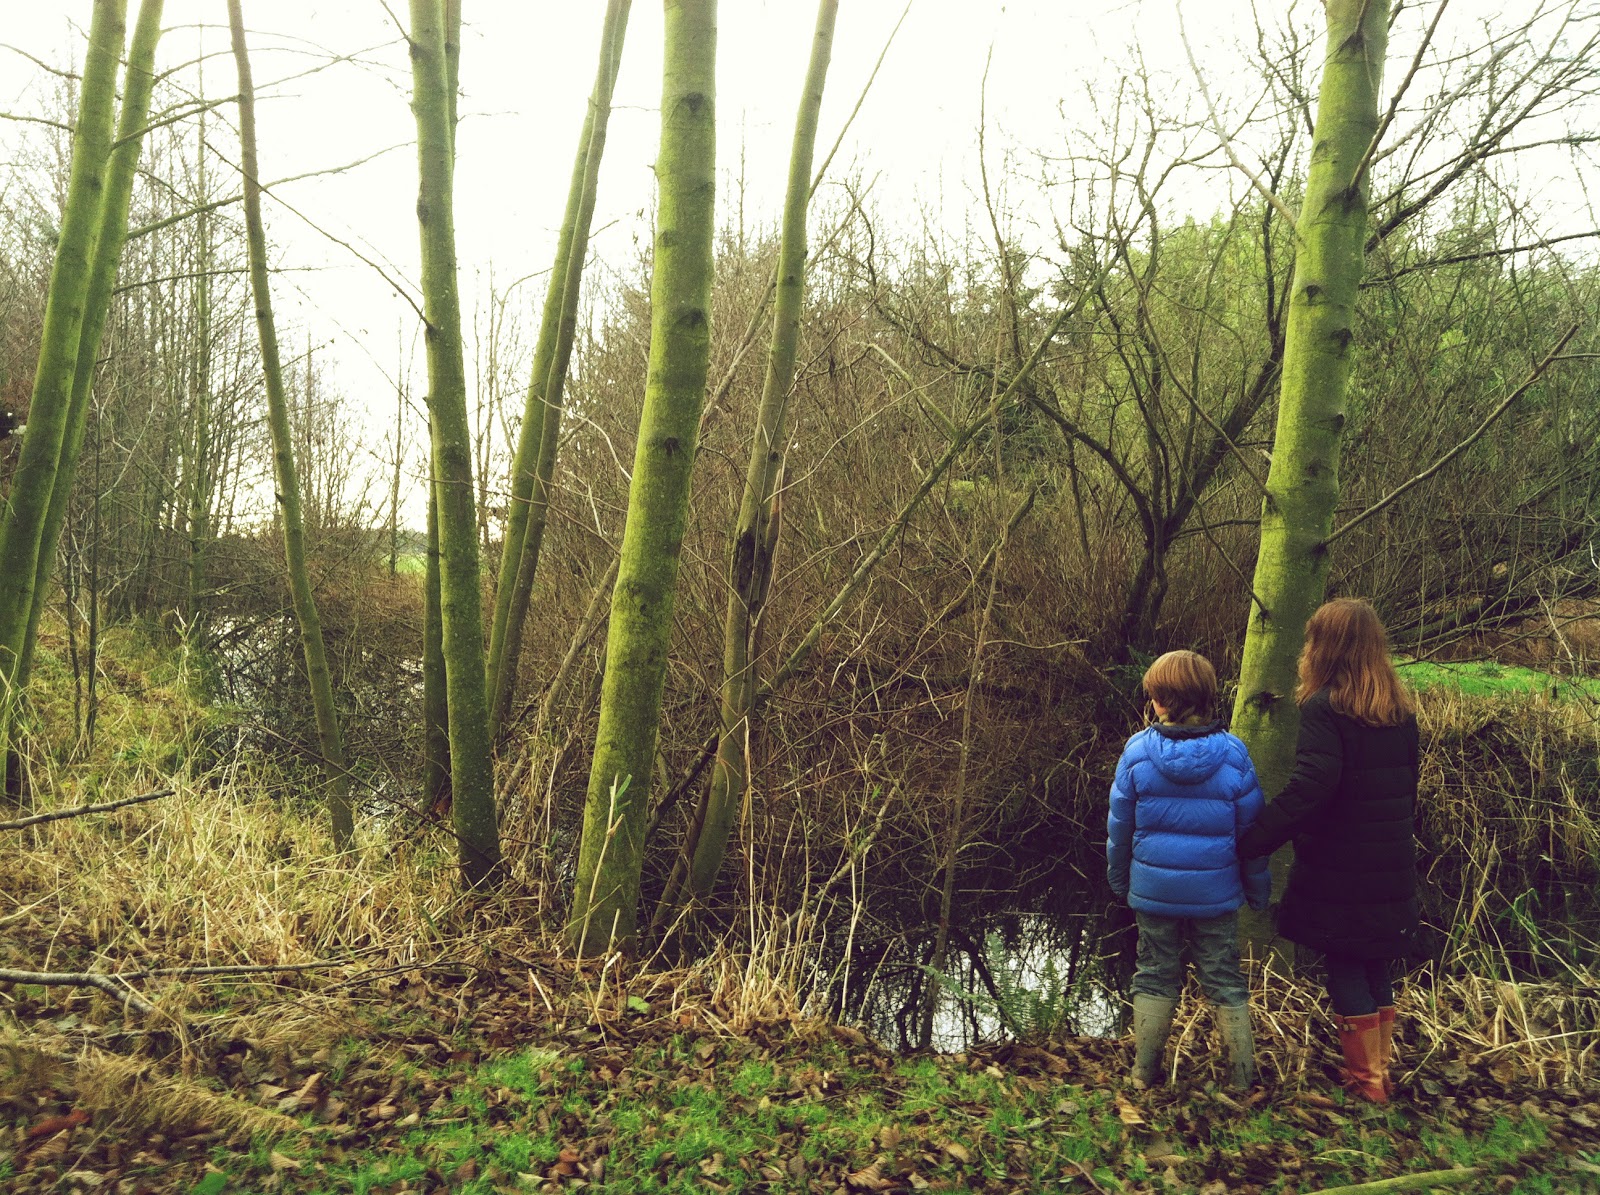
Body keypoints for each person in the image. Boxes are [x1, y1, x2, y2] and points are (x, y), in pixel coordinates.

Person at [1238, 598, 1421, 1104]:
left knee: (1344, 964)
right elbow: (1409, 788)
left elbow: (1312, 786)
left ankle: (1368, 1087)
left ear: (1325, 647)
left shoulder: (1325, 707)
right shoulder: (1399, 710)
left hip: (1343, 864)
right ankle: (1378, 1075)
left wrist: (1255, 840)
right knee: (1374, 963)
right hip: (1389, 861)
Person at [1107, 650, 1271, 1089]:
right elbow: (1252, 835)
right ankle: (1241, 1077)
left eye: (1154, 694)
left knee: (1155, 971)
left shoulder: (1137, 751)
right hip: (1215, 895)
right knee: (1222, 975)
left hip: (1154, 888)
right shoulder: (1234, 754)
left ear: (1163, 700)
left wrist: (1120, 881)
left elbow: (1120, 828)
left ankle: (1144, 1072)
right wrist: (1258, 892)